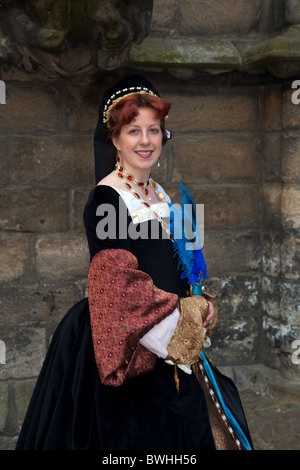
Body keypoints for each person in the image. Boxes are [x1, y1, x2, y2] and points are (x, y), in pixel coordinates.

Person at [16, 74, 253, 451]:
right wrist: (184, 321)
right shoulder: (108, 199)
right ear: (114, 139)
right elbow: (122, 290)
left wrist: (199, 301)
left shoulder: (157, 192)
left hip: (171, 336)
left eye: (154, 130)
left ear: (164, 136)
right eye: (133, 131)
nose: (145, 141)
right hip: (132, 342)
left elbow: (181, 265)